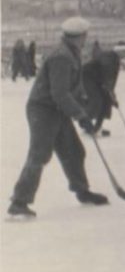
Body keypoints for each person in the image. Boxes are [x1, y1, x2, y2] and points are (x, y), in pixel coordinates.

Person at [7, 17, 109, 218]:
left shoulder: (72, 53)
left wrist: (83, 103)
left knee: (73, 150)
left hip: (57, 109)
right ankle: (19, 202)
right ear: (79, 37)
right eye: (85, 36)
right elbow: (60, 93)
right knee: (40, 154)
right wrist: (80, 115)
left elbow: (73, 86)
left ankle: (81, 191)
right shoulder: (61, 57)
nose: (86, 39)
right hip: (43, 110)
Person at [81, 49, 121, 136]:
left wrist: (112, 96)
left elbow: (112, 79)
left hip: (98, 80)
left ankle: (97, 127)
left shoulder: (116, 60)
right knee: (96, 101)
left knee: (106, 101)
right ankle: (84, 122)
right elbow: (107, 75)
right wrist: (111, 93)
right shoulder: (109, 57)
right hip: (87, 77)